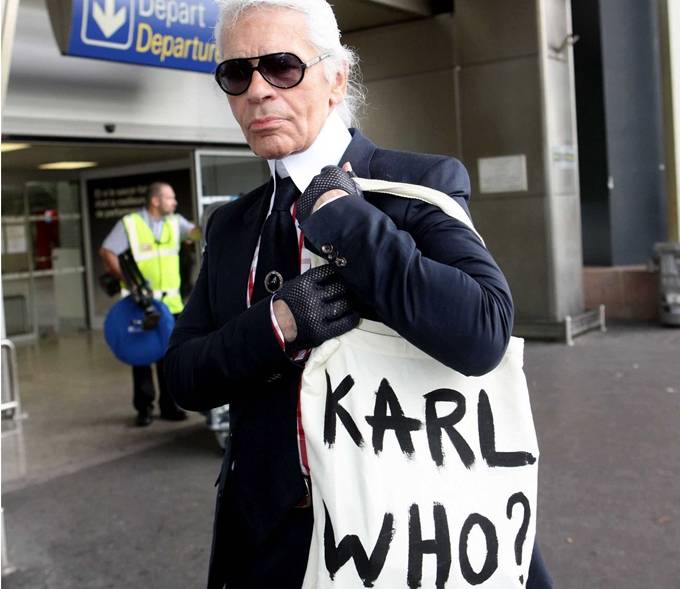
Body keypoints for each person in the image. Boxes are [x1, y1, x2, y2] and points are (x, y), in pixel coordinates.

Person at [164, 0, 553, 587]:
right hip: (268, 547)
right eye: (236, 73)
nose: (258, 90)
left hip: (409, 536)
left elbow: (482, 332)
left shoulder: (417, 184)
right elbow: (182, 377)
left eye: (282, 66)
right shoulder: (231, 226)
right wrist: (277, 325)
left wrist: (346, 219)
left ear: (337, 77)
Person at [100, 181, 200, 426]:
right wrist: (127, 280)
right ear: (155, 201)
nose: (175, 202)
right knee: (142, 356)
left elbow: (196, 233)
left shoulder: (175, 222)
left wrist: (211, 220)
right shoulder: (130, 224)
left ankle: (169, 406)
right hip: (141, 304)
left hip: (172, 304)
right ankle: (144, 408)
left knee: (170, 357)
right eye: (170, 198)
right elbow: (107, 251)